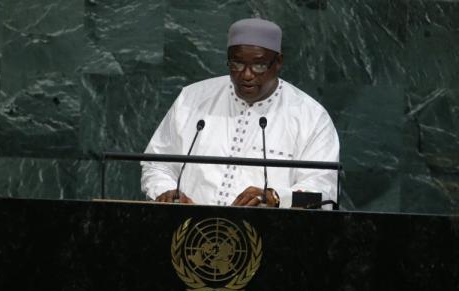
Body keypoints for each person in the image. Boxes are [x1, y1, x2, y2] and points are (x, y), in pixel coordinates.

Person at [141, 18, 339, 208]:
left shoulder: (310, 116)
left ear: (278, 62)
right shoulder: (192, 98)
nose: (246, 74)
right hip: (192, 232)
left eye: (259, 65)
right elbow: (157, 164)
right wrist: (166, 191)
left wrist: (276, 197)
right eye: (237, 64)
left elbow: (323, 190)